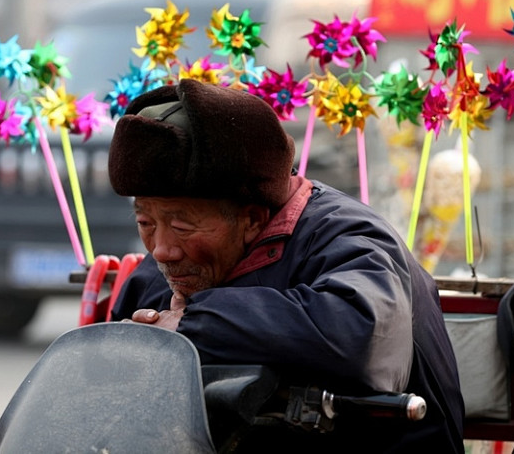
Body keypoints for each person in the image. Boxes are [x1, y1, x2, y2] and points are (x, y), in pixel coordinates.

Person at [108, 78, 465, 453]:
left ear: (251, 219)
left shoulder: (349, 237)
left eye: (182, 225)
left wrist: (194, 324)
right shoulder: (169, 267)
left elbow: (365, 341)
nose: (162, 250)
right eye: (145, 223)